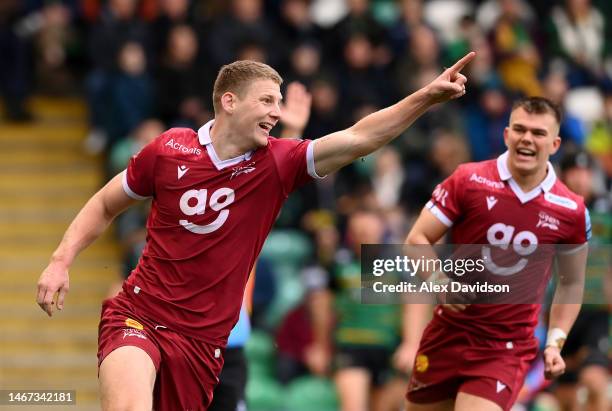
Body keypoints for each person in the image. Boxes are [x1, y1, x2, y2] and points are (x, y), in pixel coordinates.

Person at [36, 53, 474, 410]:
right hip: (139, 315)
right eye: (267, 101)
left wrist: (426, 97)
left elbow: (360, 138)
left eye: (279, 102)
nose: (276, 113)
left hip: (203, 344)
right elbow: (106, 202)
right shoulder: (169, 150)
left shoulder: (278, 163)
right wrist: (60, 260)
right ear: (229, 101)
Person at [403, 97, 591, 411]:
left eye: (538, 133)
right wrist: (438, 280)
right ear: (506, 135)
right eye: (519, 129)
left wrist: (555, 341)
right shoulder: (468, 180)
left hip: (504, 348)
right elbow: (416, 238)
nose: (527, 138)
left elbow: (571, 283)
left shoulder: (571, 210)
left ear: (555, 144)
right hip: (448, 333)